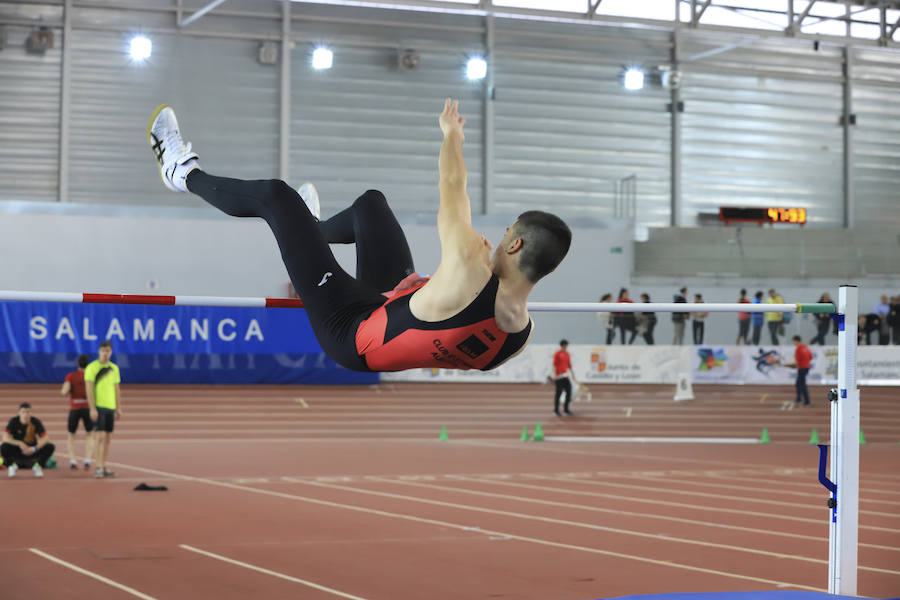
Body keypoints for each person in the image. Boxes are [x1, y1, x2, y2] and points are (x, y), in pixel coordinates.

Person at [148, 100, 571, 373]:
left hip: (350, 331)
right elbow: (448, 337)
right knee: (371, 205)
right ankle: (310, 230)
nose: (495, 240)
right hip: (393, 303)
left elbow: (452, 181)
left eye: (504, 235)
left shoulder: (467, 267)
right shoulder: (519, 337)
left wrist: (452, 134)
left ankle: (181, 173)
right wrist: (429, 292)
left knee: (278, 198)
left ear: (514, 245)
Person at [85, 341, 122, 479]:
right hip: (99, 406)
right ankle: (98, 467)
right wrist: (92, 408)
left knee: (108, 438)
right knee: (99, 437)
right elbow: (88, 388)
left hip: (110, 407)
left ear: (111, 352)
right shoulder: (92, 367)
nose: (105, 353)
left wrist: (118, 407)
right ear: (99, 352)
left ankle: (104, 466)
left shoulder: (114, 368)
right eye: (103, 351)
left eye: (107, 351)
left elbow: (117, 389)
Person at [2, 402, 55, 478]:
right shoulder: (13, 421)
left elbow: (46, 438)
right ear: (19, 413)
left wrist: (34, 448)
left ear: (31, 413)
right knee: (4, 447)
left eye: (28, 412)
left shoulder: (35, 422)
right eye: (23, 412)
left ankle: (37, 466)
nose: (25, 414)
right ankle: (12, 466)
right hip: (18, 450)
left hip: (32, 450)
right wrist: (19, 443)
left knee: (50, 447)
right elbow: (5, 438)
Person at [61, 353, 94, 470]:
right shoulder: (91, 376)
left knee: (71, 435)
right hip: (88, 408)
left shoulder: (71, 376)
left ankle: (73, 460)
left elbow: (64, 392)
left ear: (77, 364)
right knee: (90, 434)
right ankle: (88, 459)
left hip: (74, 409)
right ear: (88, 365)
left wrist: (68, 388)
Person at [783, 336, 812, 406]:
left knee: (802, 384)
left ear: (796, 341)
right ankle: (799, 398)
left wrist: (786, 364)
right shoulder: (805, 347)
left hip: (802, 368)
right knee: (799, 383)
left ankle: (806, 400)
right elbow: (810, 357)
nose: (793, 343)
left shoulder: (798, 349)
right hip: (806, 367)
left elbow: (796, 362)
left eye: (793, 341)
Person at [551, 340, 575, 416]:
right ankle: (556, 410)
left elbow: (569, 365)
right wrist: (555, 375)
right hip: (559, 377)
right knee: (558, 393)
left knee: (569, 392)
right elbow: (554, 365)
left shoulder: (567, 354)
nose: (566, 347)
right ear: (562, 346)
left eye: (567, 346)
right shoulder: (557, 354)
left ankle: (566, 409)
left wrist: (573, 375)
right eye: (565, 346)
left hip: (565, 376)